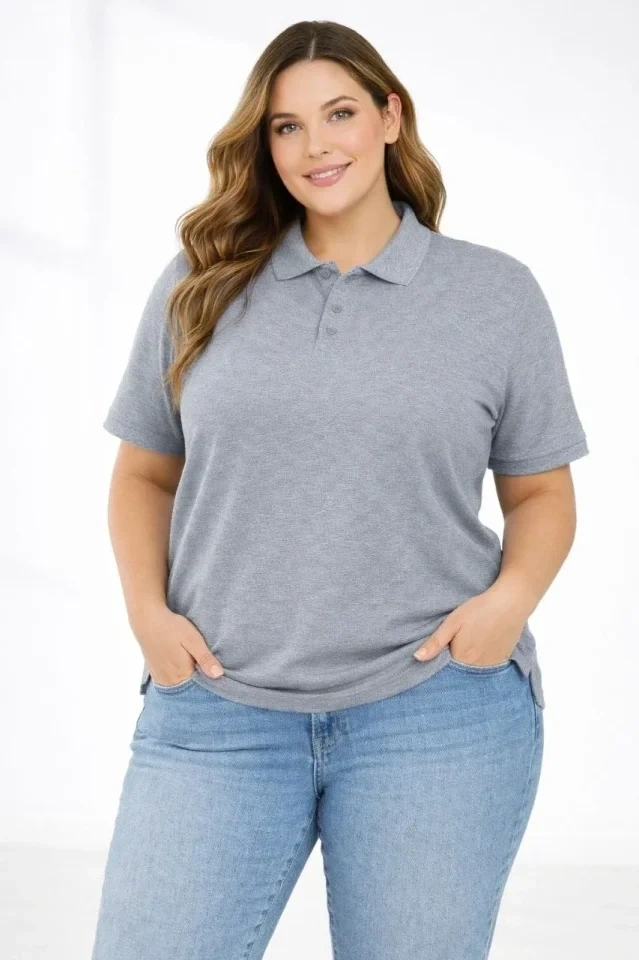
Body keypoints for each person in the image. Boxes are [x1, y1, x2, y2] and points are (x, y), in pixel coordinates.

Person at [91, 19, 589, 960]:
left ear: (390, 117)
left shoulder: (494, 295)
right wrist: (147, 616)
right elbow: (144, 473)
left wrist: (506, 606)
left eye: (339, 114)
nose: (315, 146)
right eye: (286, 126)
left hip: (434, 710)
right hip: (218, 704)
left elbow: (540, 495)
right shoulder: (200, 284)